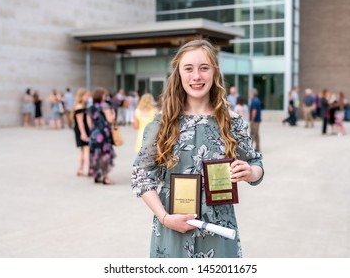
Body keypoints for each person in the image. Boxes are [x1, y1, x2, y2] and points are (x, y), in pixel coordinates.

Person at [131, 39, 264, 258]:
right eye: (189, 68)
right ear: (179, 74)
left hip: (219, 234)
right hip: (171, 231)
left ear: (214, 73)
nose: (196, 76)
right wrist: (164, 217)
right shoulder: (161, 124)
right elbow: (141, 176)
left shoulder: (233, 122)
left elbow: (256, 163)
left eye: (204, 68)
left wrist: (250, 172)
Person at [88, 87, 116, 185]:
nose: (106, 97)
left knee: (96, 155)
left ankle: (97, 175)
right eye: (104, 95)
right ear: (101, 96)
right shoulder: (105, 106)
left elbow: (89, 123)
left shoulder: (91, 107)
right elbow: (110, 120)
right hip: (104, 134)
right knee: (105, 155)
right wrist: (113, 114)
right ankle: (105, 177)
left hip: (94, 134)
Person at [72, 88, 91, 176]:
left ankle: (80, 169)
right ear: (81, 96)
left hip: (83, 129)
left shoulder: (82, 106)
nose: (88, 97)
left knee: (83, 150)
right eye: (86, 95)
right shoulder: (79, 107)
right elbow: (80, 122)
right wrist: (83, 133)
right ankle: (90, 169)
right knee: (86, 149)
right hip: (82, 130)